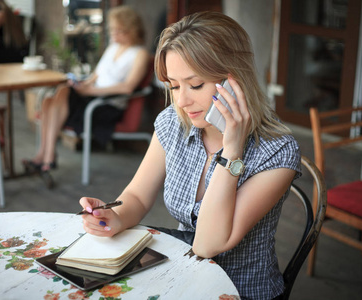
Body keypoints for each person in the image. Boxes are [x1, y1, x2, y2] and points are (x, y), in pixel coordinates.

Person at [78, 11, 301, 299]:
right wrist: (113, 217)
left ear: (235, 81)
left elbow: (208, 244)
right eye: (174, 86)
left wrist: (232, 150)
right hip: (182, 277)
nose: (182, 101)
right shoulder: (174, 122)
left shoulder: (277, 150)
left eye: (195, 85)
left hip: (241, 291)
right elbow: (137, 196)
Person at [22, 5, 149, 173]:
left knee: (60, 94)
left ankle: (48, 156)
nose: (113, 34)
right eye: (112, 30)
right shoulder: (113, 47)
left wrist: (90, 91)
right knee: (49, 100)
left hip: (106, 105)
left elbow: (128, 87)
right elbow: (97, 74)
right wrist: (85, 84)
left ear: (131, 30)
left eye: (119, 31)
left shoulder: (140, 53)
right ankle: (44, 155)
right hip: (91, 97)